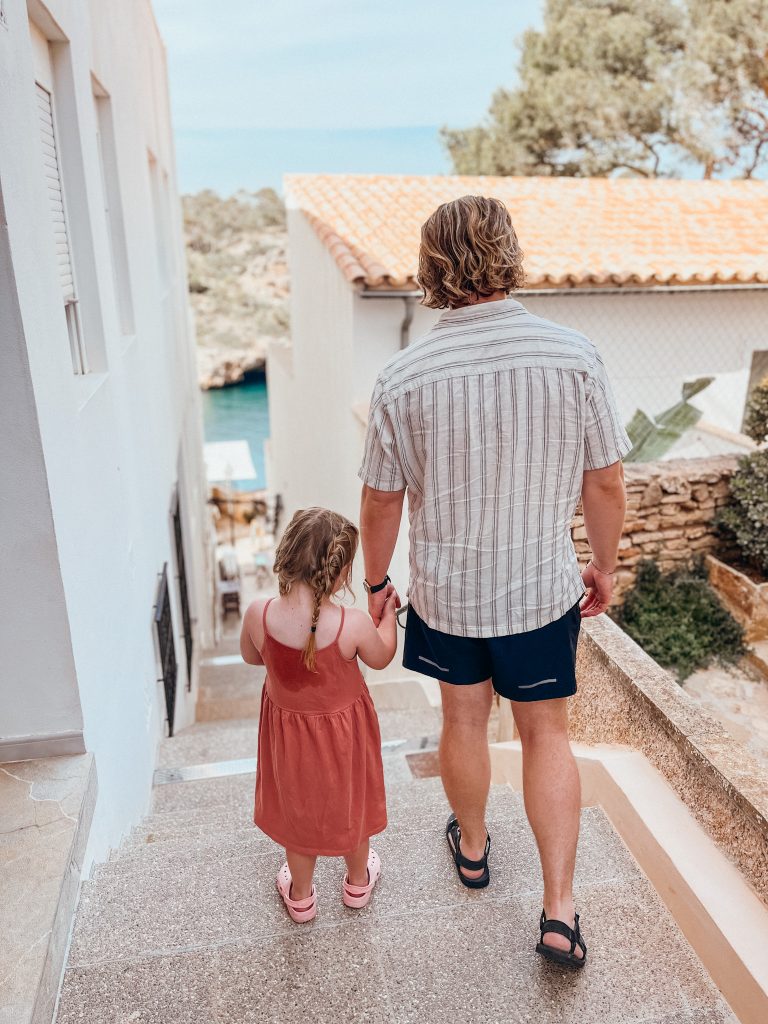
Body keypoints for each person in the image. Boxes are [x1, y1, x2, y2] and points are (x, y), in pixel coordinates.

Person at [358, 195, 629, 968]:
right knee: (548, 735)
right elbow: (604, 484)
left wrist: (376, 582)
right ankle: (559, 911)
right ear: (506, 253)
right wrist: (603, 567)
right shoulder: (574, 355)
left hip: (447, 594)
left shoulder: (403, 377)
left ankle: (473, 850)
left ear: (432, 266)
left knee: (464, 723)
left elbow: (382, 498)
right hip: (542, 590)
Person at [240, 507, 399, 923]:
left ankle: (301, 896)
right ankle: (358, 883)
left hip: (288, 738)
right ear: (342, 574)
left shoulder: (258, 613)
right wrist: (389, 617)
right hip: (345, 736)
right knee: (353, 804)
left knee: (299, 813)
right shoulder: (354, 624)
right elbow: (381, 657)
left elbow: (251, 656)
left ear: (286, 553)